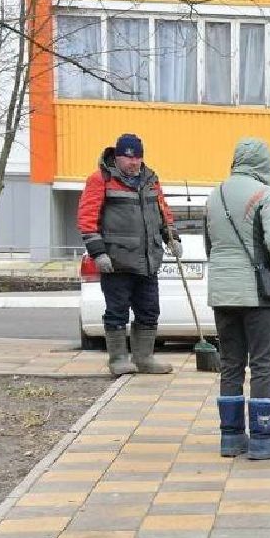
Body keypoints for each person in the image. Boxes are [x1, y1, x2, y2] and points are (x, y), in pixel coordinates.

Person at [206, 137, 270, 460]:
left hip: (222, 292)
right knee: (262, 363)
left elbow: (210, 244)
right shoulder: (265, 195)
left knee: (230, 363)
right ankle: (263, 437)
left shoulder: (214, 195)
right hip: (257, 295)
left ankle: (230, 437)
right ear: (265, 164)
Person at [78, 132, 180, 377]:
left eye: (138, 158)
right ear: (118, 156)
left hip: (148, 260)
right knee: (117, 311)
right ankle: (118, 359)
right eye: (128, 158)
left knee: (149, 311)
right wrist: (98, 253)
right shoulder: (100, 180)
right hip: (116, 262)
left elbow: (163, 212)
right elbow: (87, 218)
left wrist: (172, 238)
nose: (134, 163)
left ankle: (144, 358)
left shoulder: (151, 180)